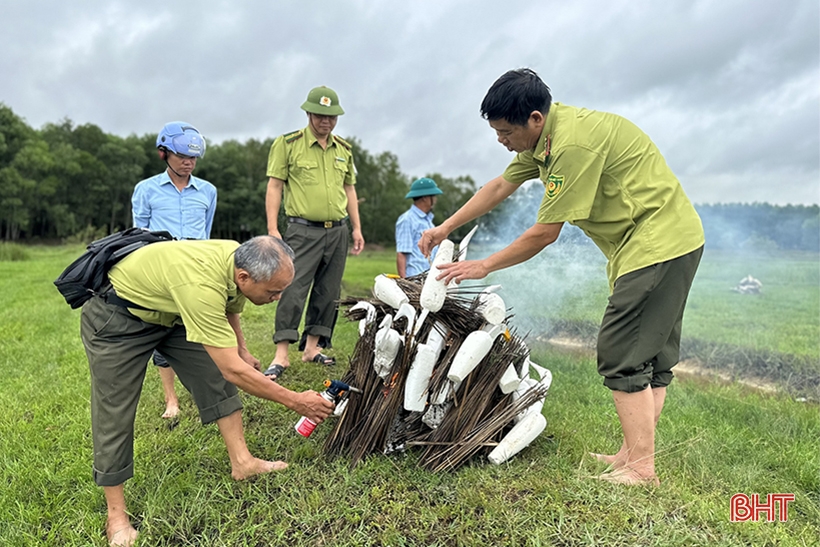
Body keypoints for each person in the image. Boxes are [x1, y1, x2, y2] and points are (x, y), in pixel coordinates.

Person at [419, 68, 704, 486]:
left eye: (505, 132)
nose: (501, 141)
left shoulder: (571, 146)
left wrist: (481, 266)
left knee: (622, 350)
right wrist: (445, 227)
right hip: (661, 244)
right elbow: (499, 186)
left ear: (535, 119)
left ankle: (642, 468)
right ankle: (633, 454)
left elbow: (544, 234)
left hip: (658, 244)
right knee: (651, 355)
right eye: (496, 132)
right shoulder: (544, 140)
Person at [81, 235, 333, 547]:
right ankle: (116, 516)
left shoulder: (235, 259)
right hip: (118, 317)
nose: (279, 298)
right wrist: (296, 401)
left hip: (173, 314)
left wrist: (240, 346)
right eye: (273, 292)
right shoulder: (202, 286)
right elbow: (234, 370)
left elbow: (231, 305)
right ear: (245, 277)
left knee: (216, 378)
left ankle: (243, 462)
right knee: (114, 410)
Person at [264, 86, 364, 381]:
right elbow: (275, 185)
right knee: (292, 288)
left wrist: (357, 227)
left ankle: (312, 348)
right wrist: (272, 228)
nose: (327, 122)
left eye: (332, 117)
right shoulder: (288, 144)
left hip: (338, 231)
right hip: (301, 230)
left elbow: (350, 189)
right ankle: (281, 354)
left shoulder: (344, 149)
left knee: (328, 291)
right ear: (309, 113)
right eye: (321, 116)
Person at [132, 121, 217, 419]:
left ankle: (209, 391)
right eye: (182, 156)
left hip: (196, 270)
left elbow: (205, 234)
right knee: (162, 331)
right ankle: (172, 400)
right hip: (161, 272)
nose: (188, 163)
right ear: (163, 153)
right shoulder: (146, 190)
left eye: (192, 158)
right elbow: (138, 234)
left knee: (201, 329)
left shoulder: (208, 191)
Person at [395, 177, 443, 278]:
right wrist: (405, 283)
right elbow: (402, 253)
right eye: (433, 196)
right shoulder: (407, 220)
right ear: (425, 198)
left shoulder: (428, 221)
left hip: (429, 278)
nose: (435, 200)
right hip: (415, 278)